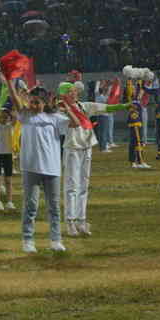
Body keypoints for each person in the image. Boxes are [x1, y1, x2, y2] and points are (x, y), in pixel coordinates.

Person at [5, 77, 76, 253]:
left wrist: (67, 108)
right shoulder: (25, 116)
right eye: (31, 102)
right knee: (30, 206)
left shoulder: (55, 118)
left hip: (52, 168)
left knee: (54, 207)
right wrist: (8, 82)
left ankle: (56, 240)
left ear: (44, 103)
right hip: (31, 168)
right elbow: (15, 99)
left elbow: (76, 123)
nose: (33, 105)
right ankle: (28, 240)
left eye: (37, 102)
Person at [57, 81, 131, 237]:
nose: (74, 92)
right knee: (72, 186)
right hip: (72, 149)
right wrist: (68, 109)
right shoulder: (60, 111)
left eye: (74, 91)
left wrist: (124, 106)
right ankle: (70, 221)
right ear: (63, 94)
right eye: (69, 91)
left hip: (86, 147)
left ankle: (81, 220)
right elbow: (71, 125)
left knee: (84, 184)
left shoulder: (83, 106)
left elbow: (103, 108)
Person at [0, 108, 16, 211]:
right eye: (1, 117)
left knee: (8, 180)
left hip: (8, 154)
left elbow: (16, 118)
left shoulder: (10, 126)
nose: (3, 119)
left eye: (5, 117)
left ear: (9, 118)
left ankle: (9, 202)